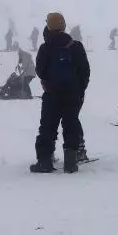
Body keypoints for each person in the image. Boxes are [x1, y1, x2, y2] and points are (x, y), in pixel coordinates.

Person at [30, 13, 90, 174]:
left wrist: (50, 82)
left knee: (48, 127)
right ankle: (71, 162)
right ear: (63, 26)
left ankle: (44, 162)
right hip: (72, 94)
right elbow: (85, 70)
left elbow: (40, 71)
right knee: (71, 124)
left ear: (48, 27)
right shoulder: (75, 46)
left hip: (52, 94)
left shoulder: (45, 48)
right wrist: (80, 89)